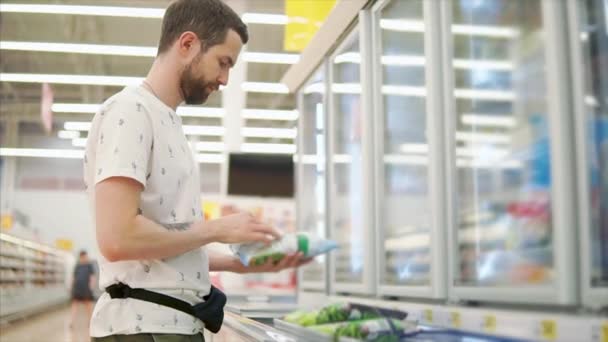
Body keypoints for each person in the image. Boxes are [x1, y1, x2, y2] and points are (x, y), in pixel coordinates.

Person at [83, 0, 308, 341]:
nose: (225, 78)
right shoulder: (130, 112)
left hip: (170, 323)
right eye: (223, 62)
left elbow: (163, 247)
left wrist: (239, 262)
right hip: (144, 327)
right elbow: (118, 238)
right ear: (187, 44)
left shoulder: (166, 121)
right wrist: (216, 229)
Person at [70, 250, 96, 329]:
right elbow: (73, 277)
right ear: (81, 257)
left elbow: (92, 277)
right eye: (84, 256)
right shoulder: (77, 266)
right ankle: (72, 322)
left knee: (88, 305)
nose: (85, 258)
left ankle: (90, 322)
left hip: (86, 288)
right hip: (77, 288)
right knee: (75, 305)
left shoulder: (89, 265)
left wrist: (91, 286)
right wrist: (72, 287)